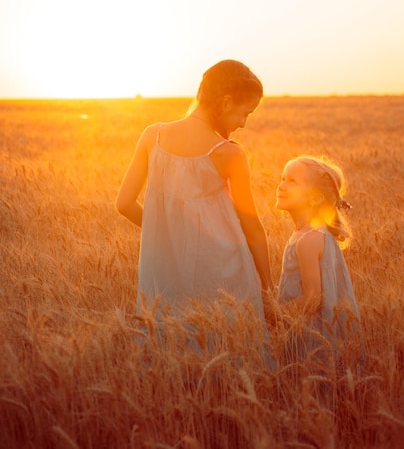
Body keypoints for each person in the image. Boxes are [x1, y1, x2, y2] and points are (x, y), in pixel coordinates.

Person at [116, 60, 273, 327]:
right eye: (244, 113)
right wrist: (268, 289)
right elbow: (252, 228)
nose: (244, 124)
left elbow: (124, 204)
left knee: (170, 346)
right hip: (224, 273)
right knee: (225, 345)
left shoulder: (151, 136)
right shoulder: (230, 153)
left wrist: (167, 233)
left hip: (164, 271)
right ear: (225, 103)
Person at [275, 155, 361, 368]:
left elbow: (313, 299)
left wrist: (274, 314)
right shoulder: (313, 234)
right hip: (305, 328)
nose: (281, 186)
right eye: (283, 178)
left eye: (292, 181)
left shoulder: (308, 240)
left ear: (315, 198)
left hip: (309, 338)